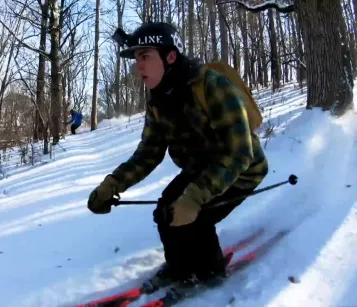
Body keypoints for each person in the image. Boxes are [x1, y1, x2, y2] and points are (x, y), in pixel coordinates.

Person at [86, 22, 269, 291]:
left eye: (145, 56)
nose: (139, 66)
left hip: (242, 169)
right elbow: (148, 153)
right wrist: (113, 184)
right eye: (137, 58)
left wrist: (194, 197)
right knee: (166, 210)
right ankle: (179, 268)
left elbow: (239, 152)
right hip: (203, 167)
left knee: (196, 213)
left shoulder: (212, 86)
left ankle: (210, 271)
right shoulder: (158, 102)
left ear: (170, 56)